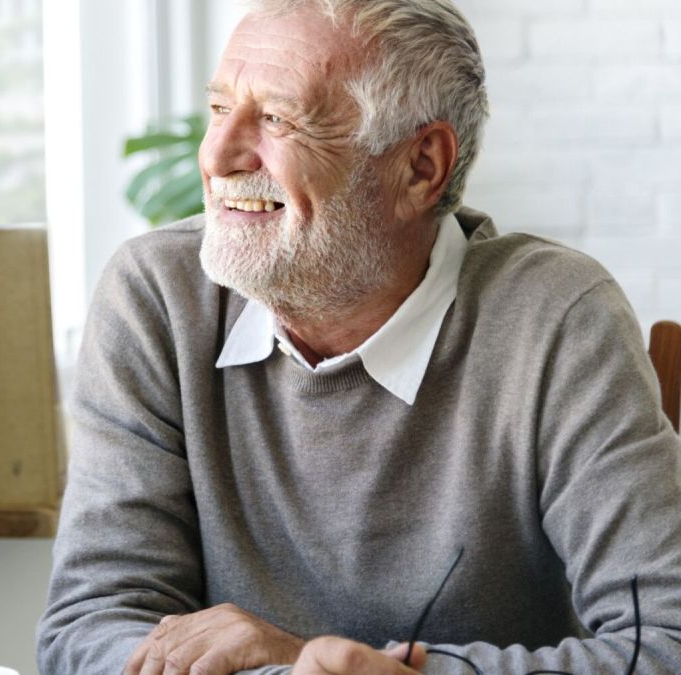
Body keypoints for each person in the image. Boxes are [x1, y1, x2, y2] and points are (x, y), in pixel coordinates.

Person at [36, 0, 681, 673]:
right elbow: (92, 622)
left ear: (420, 168)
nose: (217, 155)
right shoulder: (157, 298)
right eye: (221, 108)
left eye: (278, 118)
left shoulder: (556, 318)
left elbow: (663, 642)